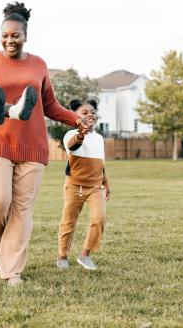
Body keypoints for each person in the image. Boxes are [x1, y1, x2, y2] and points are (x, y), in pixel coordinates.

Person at [0, 1, 87, 286]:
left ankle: (11, 270)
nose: (10, 40)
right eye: (6, 35)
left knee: (22, 212)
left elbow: (50, 105)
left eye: (16, 35)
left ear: (26, 36)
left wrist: (77, 120)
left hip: (33, 147)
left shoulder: (38, 64)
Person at [56, 99, 110, 271]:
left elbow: (101, 161)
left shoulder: (100, 138)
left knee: (99, 218)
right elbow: (73, 145)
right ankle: (62, 256)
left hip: (96, 187)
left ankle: (85, 255)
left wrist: (106, 182)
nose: (90, 115)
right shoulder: (70, 135)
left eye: (92, 112)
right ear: (76, 116)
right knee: (68, 222)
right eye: (84, 113)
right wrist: (81, 133)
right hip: (74, 186)